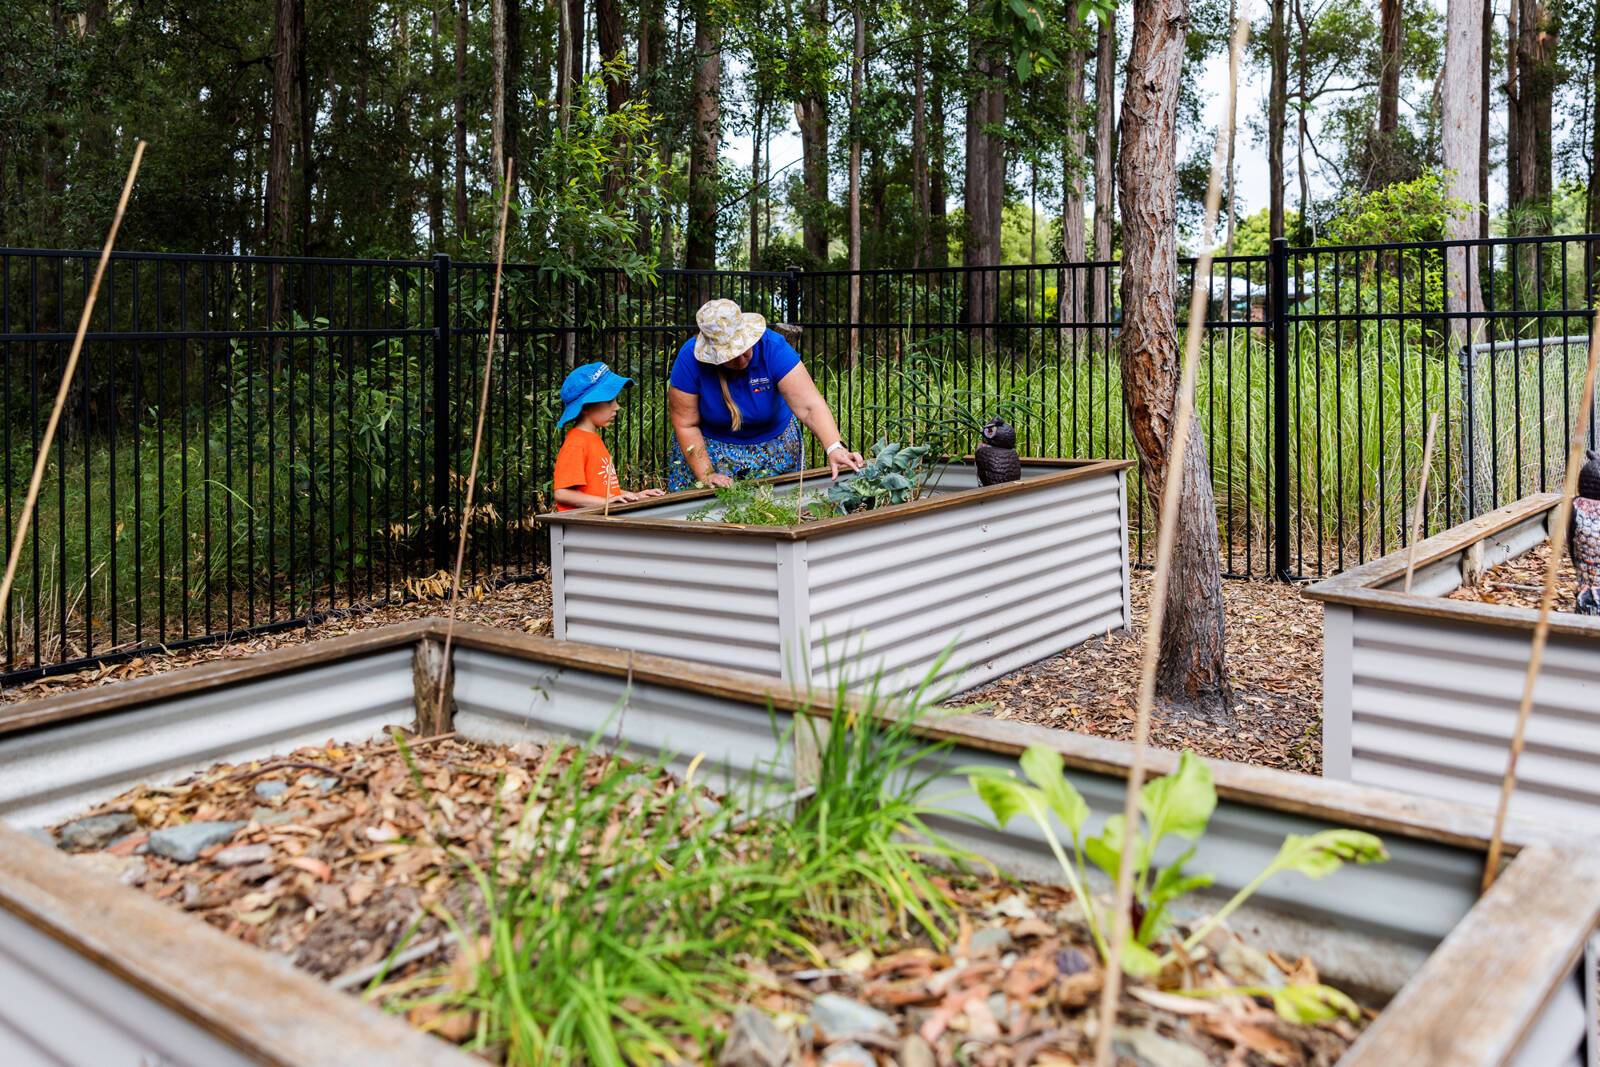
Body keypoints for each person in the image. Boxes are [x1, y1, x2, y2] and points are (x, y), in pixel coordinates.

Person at [667, 298, 865, 491]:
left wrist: (834, 447)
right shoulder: (689, 359)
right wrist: (707, 474)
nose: (741, 358)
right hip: (710, 449)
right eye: (731, 356)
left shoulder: (773, 347)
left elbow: (810, 406)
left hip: (774, 446)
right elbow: (686, 424)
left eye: (744, 348)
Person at [552, 361, 665, 511]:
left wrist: (634, 496)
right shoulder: (576, 443)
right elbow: (562, 493)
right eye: (609, 401)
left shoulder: (591, 438)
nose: (617, 407)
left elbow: (601, 491)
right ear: (585, 406)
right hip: (582, 524)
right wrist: (607, 503)